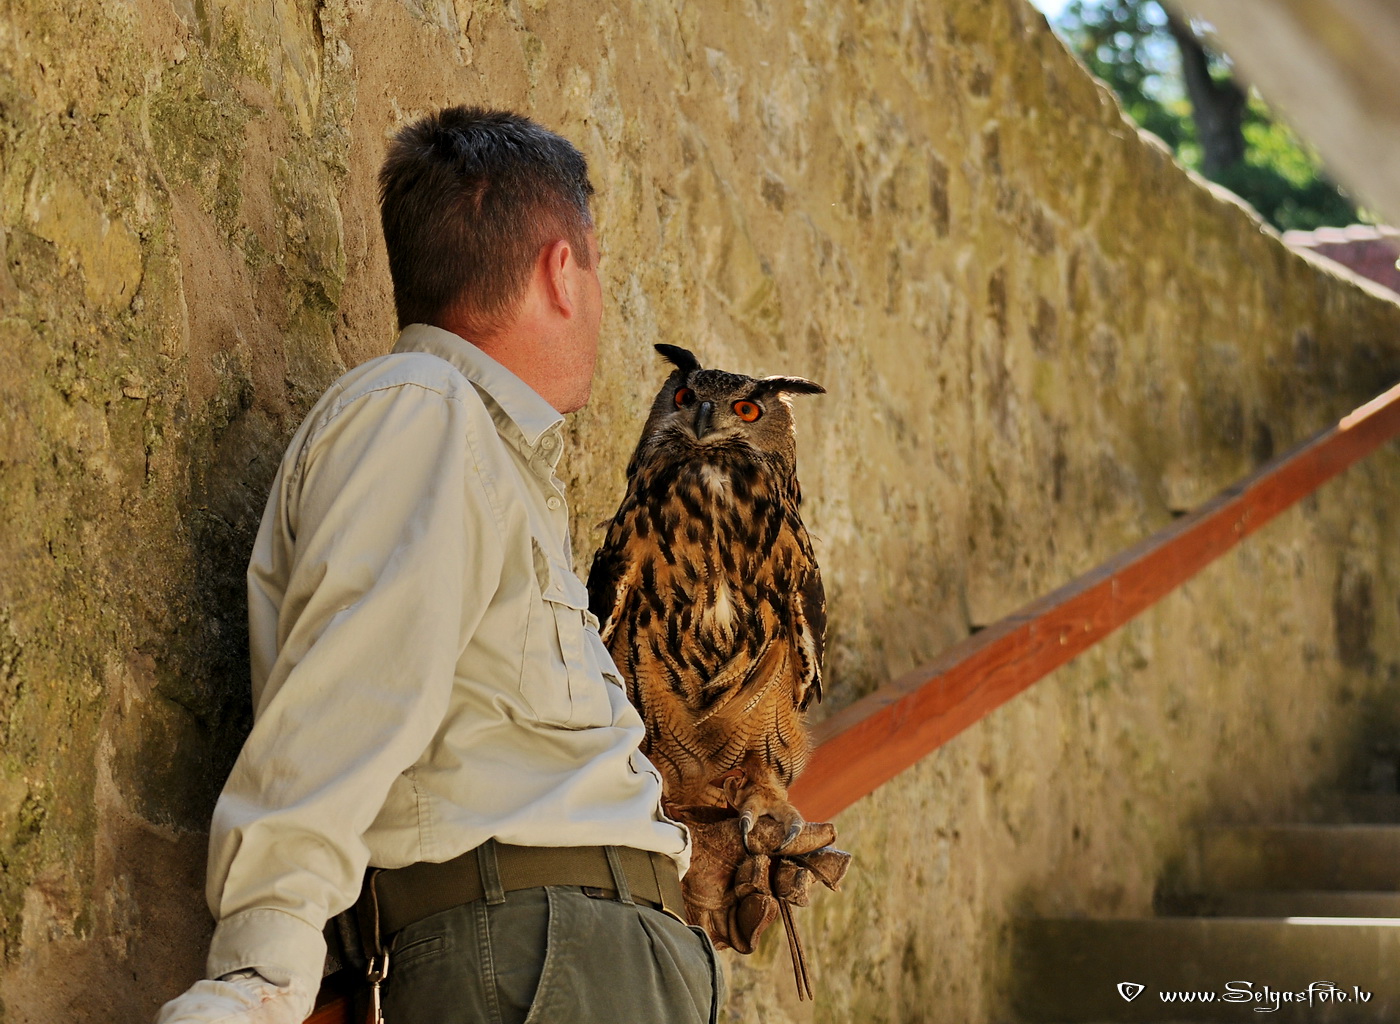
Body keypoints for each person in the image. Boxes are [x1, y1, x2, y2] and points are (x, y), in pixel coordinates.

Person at [155, 107, 724, 1024]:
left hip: (569, 959)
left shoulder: (473, 446)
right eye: (599, 264)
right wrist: (262, 971)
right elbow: (355, 689)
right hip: (543, 960)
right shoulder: (424, 414)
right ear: (561, 270)